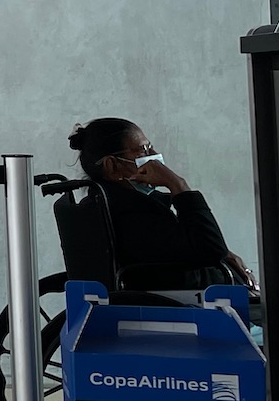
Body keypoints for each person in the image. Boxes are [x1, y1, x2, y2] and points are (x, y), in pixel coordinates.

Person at [64, 118, 257, 295]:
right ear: (112, 166)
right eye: (143, 149)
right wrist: (178, 185)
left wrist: (226, 256)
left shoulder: (109, 203)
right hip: (196, 309)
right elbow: (212, 250)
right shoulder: (131, 213)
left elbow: (201, 248)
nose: (155, 156)